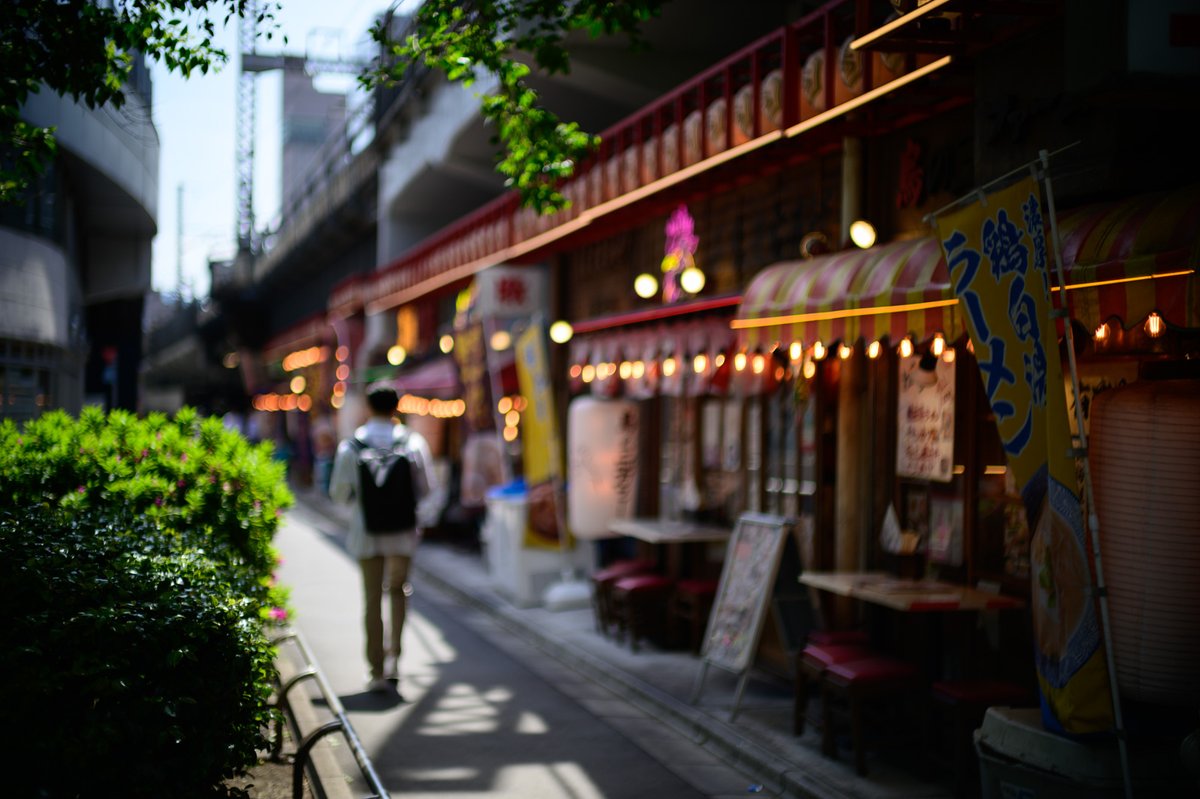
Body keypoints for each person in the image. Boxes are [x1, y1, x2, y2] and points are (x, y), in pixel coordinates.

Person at [329, 384, 438, 694]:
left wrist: (362, 508)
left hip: (366, 533)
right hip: (403, 533)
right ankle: (395, 660)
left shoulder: (351, 446)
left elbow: (339, 493)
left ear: (368, 407)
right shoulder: (412, 442)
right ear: (396, 407)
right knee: (399, 591)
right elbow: (428, 489)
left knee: (372, 598)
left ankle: (375, 669)